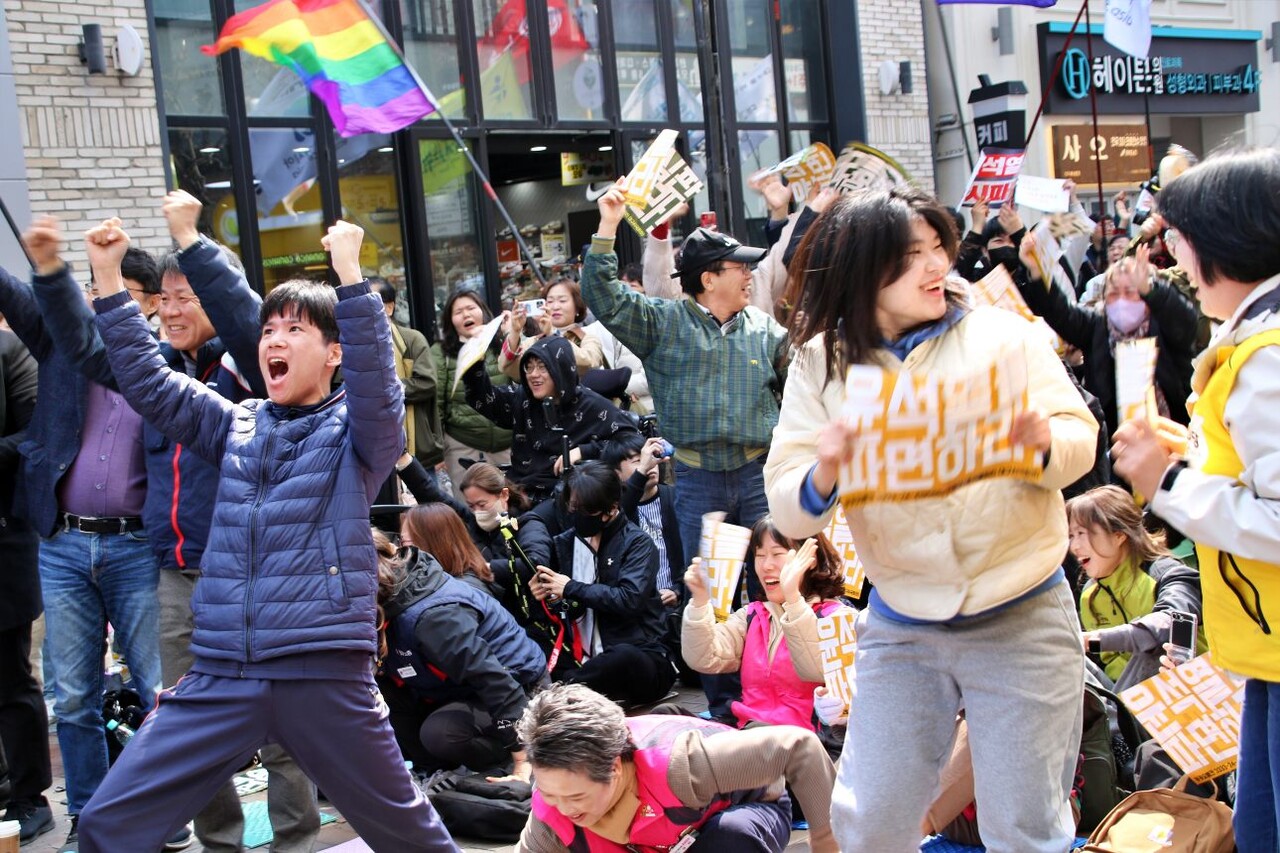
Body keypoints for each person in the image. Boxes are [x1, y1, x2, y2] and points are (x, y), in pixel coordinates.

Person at [72, 216, 458, 852]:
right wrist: (110, 280)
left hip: (323, 673)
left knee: (409, 836)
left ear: (334, 353)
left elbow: (377, 386)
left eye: (295, 329)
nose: (275, 339)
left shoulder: (361, 433)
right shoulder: (238, 424)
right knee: (108, 822)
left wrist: (351, 276)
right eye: (269, 329)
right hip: (223, 671)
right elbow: (149, 384)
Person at [764, 186, 1099, 853]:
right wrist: (825, 470)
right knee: (871, 819)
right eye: (911, 256)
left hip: (1021, 607)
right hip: (902, 619)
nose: (935, 266)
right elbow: (785, 501)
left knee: (1025, 827)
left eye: (938, 247)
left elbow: (1078, 438)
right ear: (865, 272)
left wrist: (1042, 445)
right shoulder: (823, 360)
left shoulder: (1002, 334)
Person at [38, 191, 319, 852]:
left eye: (185, 296)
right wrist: (74, 273)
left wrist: (193, 241)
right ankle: (220, 843)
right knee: (190, 726)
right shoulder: (159, 371)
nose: (170, 309)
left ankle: (298, 844)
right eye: (162, 298)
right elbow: (91, 350)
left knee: (284, 726)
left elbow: (245, 317)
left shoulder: (254, 368)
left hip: (263, 578)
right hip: (179, 573)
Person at [1108, 147, 1280, 852]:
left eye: (1180, 240)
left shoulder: (1267, 355)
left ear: (1227, 243)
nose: (1173, 257)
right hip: (1265, 646)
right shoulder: (1254, 340)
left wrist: (1169, 482)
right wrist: (1184, 454)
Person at [3, 219, 165, 851]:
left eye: (116, 290)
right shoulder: (64, 346)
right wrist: (46, 263)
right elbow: (23, 299)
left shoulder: (165, 365)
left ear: (150, 303)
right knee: (73, 696)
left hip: (138, 547)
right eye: (95, 291)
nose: (101, 303)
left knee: (156, 691)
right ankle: (89, 820)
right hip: (63, 544)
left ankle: (158, 814)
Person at [582, 184, 789, 592]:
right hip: (697, 478)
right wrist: (608, 225)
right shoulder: (663, 323)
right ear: (709, 279)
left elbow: (800, 385)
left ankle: (770, 637)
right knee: (707, 591)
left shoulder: (765, 328)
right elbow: (601, 295)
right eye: (739, 268)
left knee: (773, 583)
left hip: (759, 473)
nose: (749, 275)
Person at [515, 682, 839, 853]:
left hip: (739, 812)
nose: (563, 808)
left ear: (614, 768)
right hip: (656, 841)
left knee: (730, 837)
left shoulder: (683, 766)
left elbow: (799, 746)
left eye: (576, 796)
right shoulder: (550, 813)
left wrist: (827, 841)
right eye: (551, 794)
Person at [373, 530, 545, 780]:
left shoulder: (434, 617)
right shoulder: (389, 602)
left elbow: (493, 680)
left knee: (441, 733)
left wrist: (523, 758)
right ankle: (435, 773)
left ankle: (507, 763)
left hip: (519, 687)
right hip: (452, 688)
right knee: (381, 699)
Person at [681, 518, 852, 731]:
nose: (766, 565)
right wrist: (699, 601)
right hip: (745, 731)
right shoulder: (751, 615)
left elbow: (814, 669)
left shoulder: (837, 618)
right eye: (759, 555)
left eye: (777, 554)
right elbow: (704, 658)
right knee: (668, 716)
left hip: (800, 741)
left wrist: (793, 598)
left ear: (810, 560)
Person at [529, 461, 673, 707]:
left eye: (585, 510)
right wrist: (547, 595)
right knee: (531, 637)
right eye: (572, 507)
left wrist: (570, 587)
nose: (576, 514)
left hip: (637, 654)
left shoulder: (637, 543)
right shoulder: (565, 543)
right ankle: (569, 688)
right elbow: (565, 610)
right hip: (582, 655)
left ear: (611, 509)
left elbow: (628, 599)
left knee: (623, 658)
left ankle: (562, 690)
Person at [1017, 243, 1199, 436]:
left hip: (1173, 431)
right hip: (1113, 436)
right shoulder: (1096, 325)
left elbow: (1185, 320)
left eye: (1130, 292)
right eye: (1113, 293)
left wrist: (1151, 288)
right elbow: (1060, 311)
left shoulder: (1165, 323)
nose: (1121, 301)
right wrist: (1037, 270)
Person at [463, 335, 640, 503]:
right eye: (529, 367)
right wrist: (474, 362)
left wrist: (583, 451)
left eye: (542, 367)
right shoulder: (523, 398)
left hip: (566, 497)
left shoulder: (592, 406)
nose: (533, 374)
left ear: (560, 369)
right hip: (518, 492)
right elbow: (485, 400)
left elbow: (632, 441)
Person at [0, 326, 54, 845]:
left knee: (10, 677)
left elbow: (37, 433)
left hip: (5, 538)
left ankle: (29, 795)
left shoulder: (8, 349)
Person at [1069, 485, 1204, 691]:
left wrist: (1091, 641)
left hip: (1190, 687)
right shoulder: (1089, 594)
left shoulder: (1165, 572)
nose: (1074, 546)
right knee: (1062, 655)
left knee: (1156, 643)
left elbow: (1168, 622)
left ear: (1118, 535)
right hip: (1119, 694)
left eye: (1082, 533)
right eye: (1071, 536)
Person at [432, 288, 513, 498]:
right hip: (463, 445)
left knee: (510, 505)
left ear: (483, 311)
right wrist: (438, 449)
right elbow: (436, 404)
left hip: (508, 445)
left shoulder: (501, 344)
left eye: (471, 308)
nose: (466, 315)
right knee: (470, 507)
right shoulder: (441, 353)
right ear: (450, 320)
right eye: (458, 312)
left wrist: (512, 334)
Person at [374, 278, 441, 470]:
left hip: (416, 447)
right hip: (374, 450)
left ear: (389, 308)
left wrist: (382, 390)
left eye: (370, 302)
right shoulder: (351, 346)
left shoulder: (411, 340)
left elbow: (427, 383)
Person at [501, 279, 603, 379]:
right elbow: (508, 368)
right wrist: (515, 331)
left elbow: (589, 362)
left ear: (577, 307)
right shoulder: (534, 341)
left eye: (562, 300)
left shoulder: (588, 338)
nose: (555, 306)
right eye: (550, 301)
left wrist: (552, 334)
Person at [400, 502, 499, 597]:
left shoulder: (460, 594)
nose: (401, 551)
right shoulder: (465, 579)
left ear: (434, 543)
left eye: (404, 542)